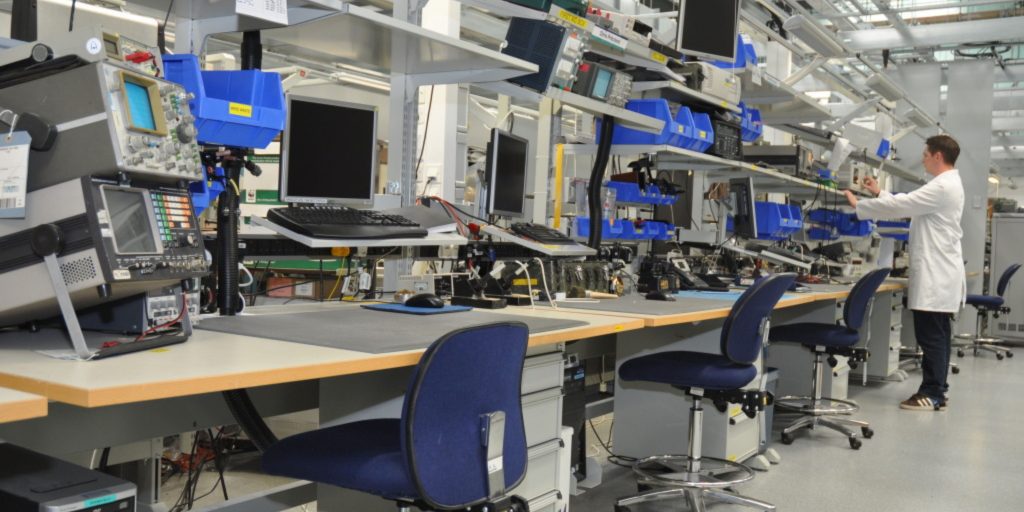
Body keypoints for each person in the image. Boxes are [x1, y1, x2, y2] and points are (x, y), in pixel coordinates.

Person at [843, 134, 966, 411]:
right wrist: (878, 193)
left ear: (937, 156)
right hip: (940, 273)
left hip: (937, 275)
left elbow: (904, 205)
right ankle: (938, 391)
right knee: (938, 334)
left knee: (932, 336)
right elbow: (910, 202)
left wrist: (859, 205)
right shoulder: (946, 184)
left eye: (925, 154)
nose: (922, 158)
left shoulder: (943, 186)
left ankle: (932, 392)